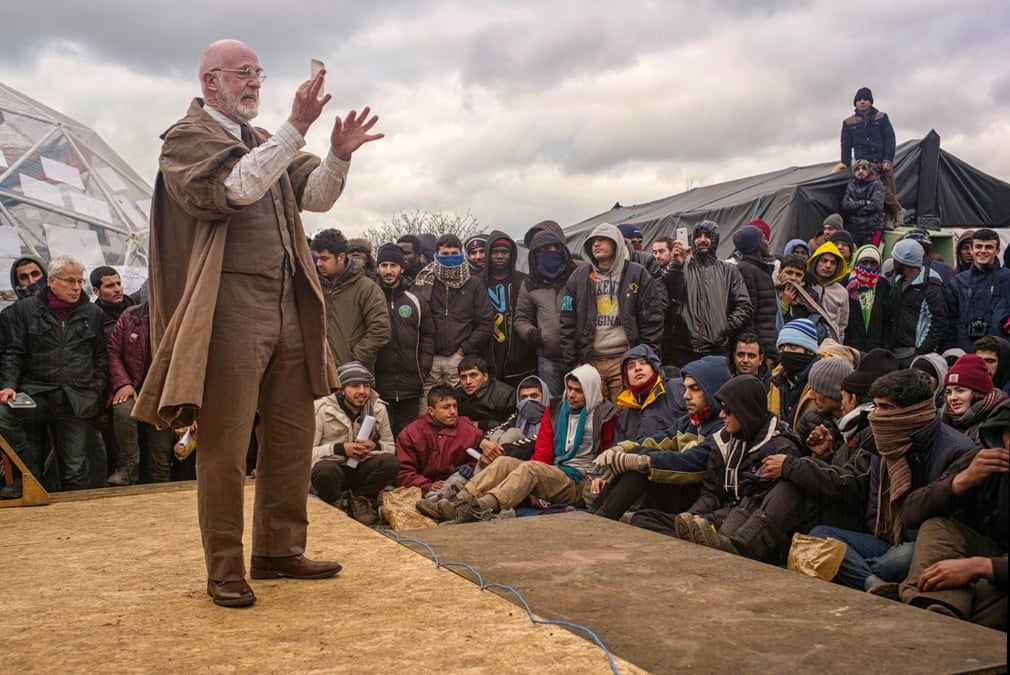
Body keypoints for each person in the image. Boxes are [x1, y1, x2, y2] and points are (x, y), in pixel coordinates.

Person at [132, 39, 383, 607]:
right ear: (210, 79)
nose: (254, 83)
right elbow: (234, 189)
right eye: (243, 72)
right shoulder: (186, 138)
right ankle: (224, 567)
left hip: (287, 302)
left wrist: (338, 155)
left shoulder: (266, 139)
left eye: (258, 73)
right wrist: (297, 126)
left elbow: (316, 196)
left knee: (293, 436)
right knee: (224, 443)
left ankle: (278, 550)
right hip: (227, 308)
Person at [809, 370, 974, 595]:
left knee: (900, 560)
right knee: (821, 535)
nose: (876, 415)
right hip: (885, 539)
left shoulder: (956, 451)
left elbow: (949, 526)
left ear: (911, 412)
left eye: (885, 408)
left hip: (923, 544)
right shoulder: (884, 442)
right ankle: (872, 582)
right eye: (875, 406)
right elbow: (873, 509)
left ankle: (858, 573)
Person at [418, 365, 618, 523]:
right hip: (556, 471)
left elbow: (609, 456)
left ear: (590, 391)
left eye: (578, 391)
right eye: (569, 389)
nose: (571, 395)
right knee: (504, 462)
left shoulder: (605, 416)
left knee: (531, 469)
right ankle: (456, 502)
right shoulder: (557, 409)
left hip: (582, 480)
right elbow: (543, 450)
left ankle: (476, 508)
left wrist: (599, 481)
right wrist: (537, 486)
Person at [657, 375, 803, 553]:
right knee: (644, 519)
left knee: (706, 535)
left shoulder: (779, 447)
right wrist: (694, 515)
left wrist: (707, 520)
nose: (721, 415)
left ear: (744, 411)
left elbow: (757, 505)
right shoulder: (724, 439)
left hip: (747, 526)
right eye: (721, 409)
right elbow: (711, 492)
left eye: (728, 410)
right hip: (721, 514)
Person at [0, 255, 106, 498]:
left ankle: (76, 515)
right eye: (70, 281)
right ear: (51, 281)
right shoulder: (25, 310)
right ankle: (28, 472)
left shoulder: (93, 313)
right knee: (3, 413)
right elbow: (13, 352)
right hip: (37, 393)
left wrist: (95, 388)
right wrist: (8, 386)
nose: (76, 287)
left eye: (80, 281)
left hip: (76, 398)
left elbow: (101, 356)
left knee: (75, 471)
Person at [897, 399, 1008, 630]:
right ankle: (936, 610)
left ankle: (918, 600)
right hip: (990, 552)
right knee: (937, 527)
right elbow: (911, 513)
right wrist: (963, 480)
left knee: (984, 595)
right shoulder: (988, 459)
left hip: (995, 572)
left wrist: (979, 567)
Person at [590, 355, 731, 521]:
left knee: (643, 460)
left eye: (694, 389)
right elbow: (659, 439)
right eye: (685, 388)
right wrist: (621, 449)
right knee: (639, 452)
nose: (686, 396)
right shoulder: (688, 422)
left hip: (699, 501)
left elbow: (693, 463)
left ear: (713, 391)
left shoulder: (723, 427)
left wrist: (640, 462)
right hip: (673, 491)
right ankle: (596, 513)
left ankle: (603, 517)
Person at [559, 223, 665, 401]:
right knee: (596, 412)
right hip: (589, 362)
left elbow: (652, 318)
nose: (596, 244)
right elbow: (566, 319)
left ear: (616, 242)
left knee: (625, 411)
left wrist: (644, 357)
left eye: (602, 240)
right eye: (593, 241)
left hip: (625, 360)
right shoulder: (578, 277)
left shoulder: (637, 274)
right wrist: (573, 362)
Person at [412, 234, 494, 405]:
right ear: (436, 254)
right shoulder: (424, 281)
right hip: (431, 358)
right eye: (445, 254)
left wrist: (464, 349)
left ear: (461, 254)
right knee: (428, 408)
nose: (450, 258)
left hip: (459, 357)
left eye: (454, 254)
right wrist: (425, 353)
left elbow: (486, 322)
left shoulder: (473, 283)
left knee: (457, 408)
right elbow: (416, 318)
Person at [310, 361, 397, 520]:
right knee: (324, 470)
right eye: (355, 386)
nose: (362, 391)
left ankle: (360, 501)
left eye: (366, 386)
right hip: (335, 469)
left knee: (390, 463)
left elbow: (390, 446)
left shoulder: (377, 407)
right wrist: (341, 449)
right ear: (342, 389)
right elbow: (306, 454)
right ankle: (337, 504)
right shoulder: (321, 408)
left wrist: (374, 446)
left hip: (361, 467)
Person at [665, 220, 752, 366]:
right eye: (698, 236)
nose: (702, 240)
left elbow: (744, 305)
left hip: (717, 349)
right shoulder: (682, 266)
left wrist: (724, 327)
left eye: (707, 236)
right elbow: (669, 292)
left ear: (715, 239)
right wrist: (676, 265)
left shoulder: (729, 270)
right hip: (682, 348)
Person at [106, 299, 175, 485]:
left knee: (160, 453)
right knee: (123, 410)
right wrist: (123, 383)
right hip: (134, 386)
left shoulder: (180, 315)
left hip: (164, 391)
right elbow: (113, 351)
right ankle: (128, 468)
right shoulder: (131, 316)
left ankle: (162, 484)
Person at [373, 243, 435, 437]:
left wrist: (422, 369)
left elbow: (428, 335)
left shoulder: (415, 300)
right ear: (377, 268)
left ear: (401, 268)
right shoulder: (370, 298)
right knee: (382, 439)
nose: (388, 271)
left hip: (410, 386)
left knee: (409, 438)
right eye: (384, 265)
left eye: (393, 265)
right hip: (378, 388)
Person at [311, 228, 389, 374]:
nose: (319, 263)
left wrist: (354, 360)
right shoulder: (314, 287)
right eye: (318, 258)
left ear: (341, 257)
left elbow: (380, 330)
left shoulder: (367, 288)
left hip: (354, 377)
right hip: (319, 374)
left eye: (324, 259)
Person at [514, 225, 578, 398]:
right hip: (548, 358)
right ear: (534, 255)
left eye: (551, 248)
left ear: (560, 249)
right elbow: (521, 318)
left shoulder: (576, 275)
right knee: (552, 405)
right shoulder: (530, 284)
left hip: (579, 355)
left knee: (582, 402)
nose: (548, 253)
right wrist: (534, 335)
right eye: (541, 250)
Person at [395, 384, 490, 495]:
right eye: (446, 407)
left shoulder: (470, 432)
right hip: (421, 491)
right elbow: (403, 472)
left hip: (460, 486)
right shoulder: (410, 434)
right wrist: (427, 486)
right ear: (431, 411)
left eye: (455, 406)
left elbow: (479, 461)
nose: (453, 411)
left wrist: (466, 470)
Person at [838, 87, 901, 228]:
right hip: (866, 164)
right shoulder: (849, 122)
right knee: (879, 189)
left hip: (883, 160)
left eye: (865, 99)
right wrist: (845, 164)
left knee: (890, 189)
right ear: (855, 103)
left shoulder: (882, 117)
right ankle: (899, 210)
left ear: (870, 101)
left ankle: (889, 220)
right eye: (859, 100)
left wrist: (888, 159)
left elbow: (890, 139)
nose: (862, 102)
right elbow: (845, 145)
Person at [482, 231, 535, 387]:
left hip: (520, 359)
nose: (500, 256)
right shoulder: (477, 283)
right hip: (487, 358)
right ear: (488, 254)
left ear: (512, 255)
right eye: (495, 252)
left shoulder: (524, 281)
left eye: (504, 252)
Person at [886, 239, 947, 367]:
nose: (892, 260)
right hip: (893, 352)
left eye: (895, 257)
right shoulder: (894, 280)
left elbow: (938, 322)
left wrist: (922, 351)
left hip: (915, 353)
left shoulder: (931, 285)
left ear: (903, 261)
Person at [946, 228, 1010, 351]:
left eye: (988, 247)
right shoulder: (958, 281)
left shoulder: (1007, 279)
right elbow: (949, 321)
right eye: (978, 246)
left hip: (1000, 349)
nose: (983, 251)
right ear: (971, 249)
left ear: (997, 251)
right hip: (965, 349)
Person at [731, 225, 779, 364]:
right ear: (756, 244)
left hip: (765, 344)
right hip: (758, 350)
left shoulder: (759, 270)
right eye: (763, 238)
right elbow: (748, 315)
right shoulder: (747, 271)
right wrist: (755, 350)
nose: (766, 242)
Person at [613, 344, 680, 443]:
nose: (637, 368)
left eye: (643, 363)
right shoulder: (624, 417)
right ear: (626, 378)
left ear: (654, 367)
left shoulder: (677, 390)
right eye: (631, 366)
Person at [767, 318, 821, 430]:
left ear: (810, 351)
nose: (786, 352)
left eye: (793, 347)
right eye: (782, 347)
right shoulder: (776, 382)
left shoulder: (821, 381)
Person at [942, 354, 1007, 445]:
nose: (952, 397)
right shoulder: (943, 419)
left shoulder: (1000, 421)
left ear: (978, 393)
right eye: (948, 392)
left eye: (960, 391)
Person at [845, 244, 890, 352]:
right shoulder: (846, 283)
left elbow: (887, 319)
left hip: (875, 347)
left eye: (873, 263)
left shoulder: (883, 285)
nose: (868, 267)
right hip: (849, 346)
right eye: (864, 262)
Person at [455, 354, 515, 431]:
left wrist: (482, 425)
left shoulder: (505, 394)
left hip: (498, 433)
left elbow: (514, 424)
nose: (468, 381)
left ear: (485, 376)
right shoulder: (457, 394)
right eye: (463, 377)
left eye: (473, 375)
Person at [806, 240, 851, 343]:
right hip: (806, 339)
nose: (828, 266)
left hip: (830, 343)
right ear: (816, 262)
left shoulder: (842, 292)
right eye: (824, 261)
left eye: (833, 263)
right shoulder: (806, 285)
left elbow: (842, 324)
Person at [840, 160, 885, 246]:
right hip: (854, 230)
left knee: (870, 253)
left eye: (864, 168)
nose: (860, 171)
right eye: (857, 169)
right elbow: (845, 205)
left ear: (868, 170)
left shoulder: (876, 185)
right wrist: (864, 202)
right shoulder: (851, 186)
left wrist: (854, 207)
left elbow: (876, 205)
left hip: (873, 230)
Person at [90, 265, 136, 341]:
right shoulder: (93, 322)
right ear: (96, 291)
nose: (117, 289)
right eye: (110, 286)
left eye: (119, 284)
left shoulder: (137, 310)